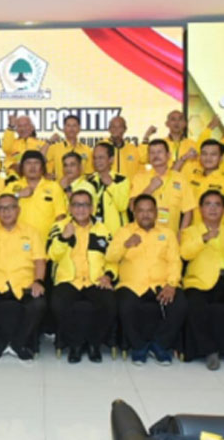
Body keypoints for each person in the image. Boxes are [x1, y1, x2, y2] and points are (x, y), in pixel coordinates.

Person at [106, 194, 187, 365]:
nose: (145, 214)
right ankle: (139, 347)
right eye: (141, 211)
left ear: (156, 213)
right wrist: (125, 245)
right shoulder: (124, 231)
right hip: (131, 285)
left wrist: (172, 284)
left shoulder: (167, 233)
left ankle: (160, 345)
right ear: (134, 212)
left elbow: (174, 261)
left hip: (161, 283)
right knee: (124, 305)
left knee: (180, 304)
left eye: (149, 210)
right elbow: (110, 257)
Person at [0, 193, 47, 361]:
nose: (6, 212)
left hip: (24, 281)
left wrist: (38, 281)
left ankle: (19, 342)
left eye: (10, 207)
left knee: (38, 303)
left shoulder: (31, 232)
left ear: (18, 210)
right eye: (1, 208)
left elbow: (40, 260)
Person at [47, 190, 117, 363]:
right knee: (58, 304)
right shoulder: (59, 227)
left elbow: (112, 258)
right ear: (70, 208)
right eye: (76, 205)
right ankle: (75, 345)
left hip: (95, 280)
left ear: (92, 208)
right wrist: (64, 238)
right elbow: (52, 255)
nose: (81, 209)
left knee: (109, 303)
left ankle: (94, 344)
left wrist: (108, 276)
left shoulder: (103, 229)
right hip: (68, 280)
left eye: (85, 205)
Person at [180, 190, 224, 370]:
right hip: (198, 282)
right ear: (200, 209)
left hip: (222, 279)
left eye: (217, 204)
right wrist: (203, 239)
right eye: (208, 204)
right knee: (194, 306)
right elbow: (185, 253)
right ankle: (210, 351)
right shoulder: (190, 231)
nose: (213, 208)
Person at [130, 139, 196, 236]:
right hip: (144, 238)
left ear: (168, 155)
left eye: (159, 152)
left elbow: (188, 211)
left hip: (170, 238)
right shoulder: (139, 177)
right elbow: (132, 207)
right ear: (148, 157)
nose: (156, 155)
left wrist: (181, 235)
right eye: (152, 153)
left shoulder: (180, 178)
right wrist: (150, 188)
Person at [4, 150, 67, 244]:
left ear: (43, 167)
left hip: (46, 243)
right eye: (28, 163)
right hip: (17, 243)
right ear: (22, 167)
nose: (32, 167)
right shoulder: (12, 186)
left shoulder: (54, 187)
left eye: (36, 163)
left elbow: (60, 216)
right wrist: (18, 195)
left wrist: (57, 242)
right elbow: (1, 208)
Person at [87, 142, 130, 236]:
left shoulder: (121, 180)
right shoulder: (89, 181)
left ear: (111, 159)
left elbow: (123, 206)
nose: (97, 161)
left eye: (101, 157)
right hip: (95, 234)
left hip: (116, 235)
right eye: (94, 158)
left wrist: (111, 185)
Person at [140, 110, 200, 174]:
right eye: (173, 119)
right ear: (167, 124)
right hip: (163, 179)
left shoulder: (193, 144)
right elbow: (143, 158)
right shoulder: (160, 144)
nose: (177, 122)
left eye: (180, 119)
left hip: (187, 179)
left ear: (185, 123)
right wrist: (146, 136)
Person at [186, 139, 224, 225]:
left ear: (221, 158)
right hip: (193, 230)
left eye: (213, 154)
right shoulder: (192, 176)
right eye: (204, 154)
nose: (208, 158)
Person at [46, 115, 93, 180]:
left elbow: (89, 173)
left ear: (79, 129)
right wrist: (49, 141)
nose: (71, 129)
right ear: (63, 129)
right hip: (60, 185)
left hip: (81, 185)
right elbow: (39, 158)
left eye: (74, 125)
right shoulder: (54, 148)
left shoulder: (87, 150)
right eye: (68, 125)